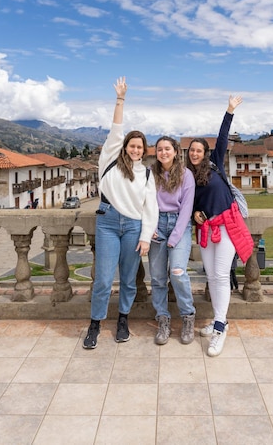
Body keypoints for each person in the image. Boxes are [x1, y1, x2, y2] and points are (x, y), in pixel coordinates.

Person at [83, 77, 159, 349]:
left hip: (133, 227)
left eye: (140, 147)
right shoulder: (110, 161)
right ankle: (95, 324)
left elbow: (151, 207)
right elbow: (116, 130)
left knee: (129, 279)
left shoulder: (147, 173)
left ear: (144, 150)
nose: (135, 149)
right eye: (131, 145)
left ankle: (123, 320)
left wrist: (146, 237)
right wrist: (120, 99)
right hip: (108, 223)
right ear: (125, 147)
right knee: (103, 278)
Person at [186, 95, 253, 357]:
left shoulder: (215, 165)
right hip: (205, 230)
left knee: (222, 275)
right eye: (191, 150)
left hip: (226, 226)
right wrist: (194, 214)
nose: (194, 153)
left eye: (198, 150)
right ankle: (218, 320)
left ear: (204, 153)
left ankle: (220, 327)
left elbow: (223, 137)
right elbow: (186, 203)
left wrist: (229, 110)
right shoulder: (187, 176)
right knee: (211, 276)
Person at [149, 136, 196, 345]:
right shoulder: (151, 175)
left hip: (179, 225)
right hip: (157, 226)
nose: (163, 153)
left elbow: (186, 209)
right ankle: (163, 319)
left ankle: (187, 316)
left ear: (175, 151)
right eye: (160, 149)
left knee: (177, 271)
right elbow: (146, 202)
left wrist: (175, 237)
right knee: (158, 278)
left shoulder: (186, 176)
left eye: (167, 149)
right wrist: (150, 228)